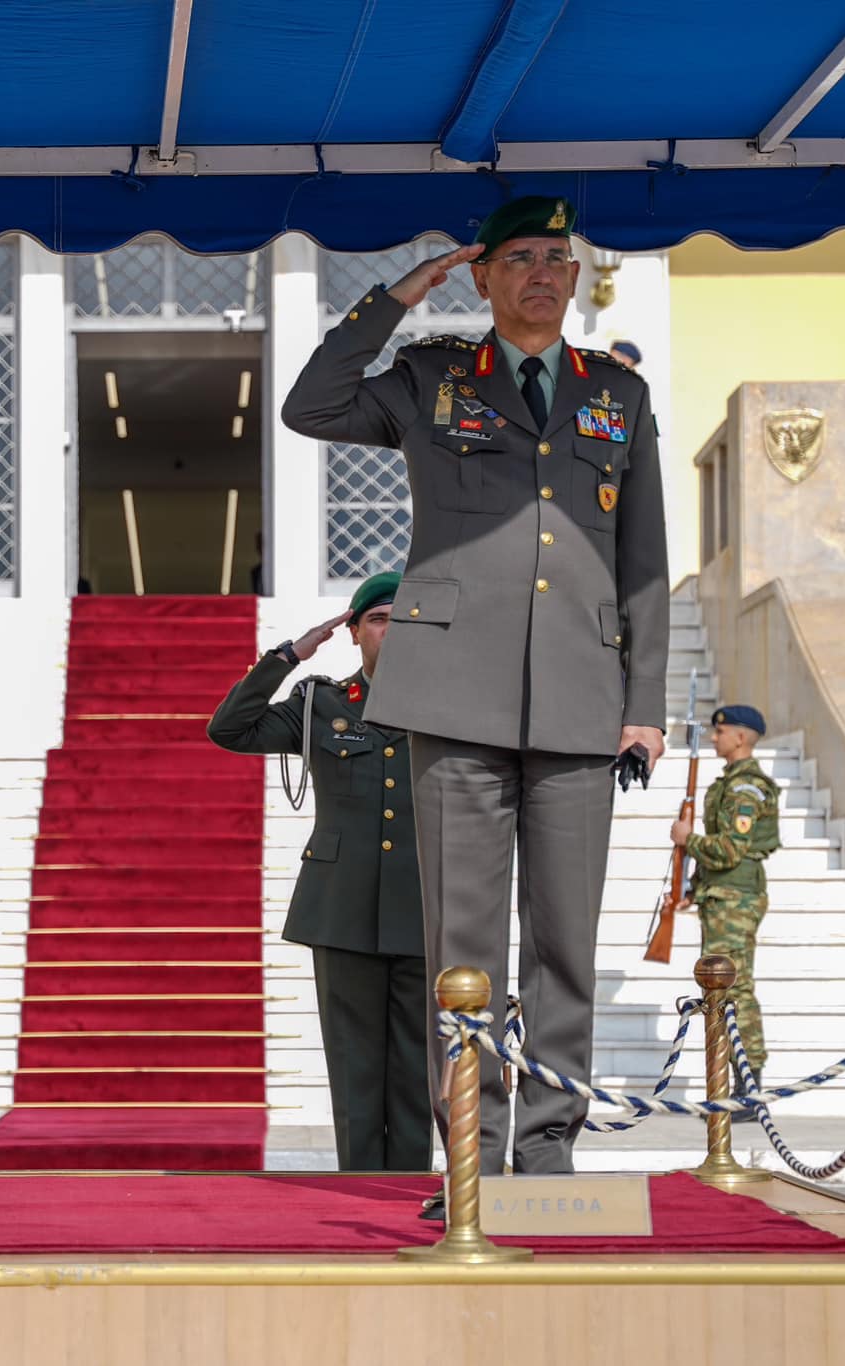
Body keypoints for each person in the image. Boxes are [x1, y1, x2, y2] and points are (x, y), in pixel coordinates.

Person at [282, 195, 670, 1186]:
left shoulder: (615, 394)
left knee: (563, 950)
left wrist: (645, 701)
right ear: (485, 275)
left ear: (574, 278)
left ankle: (540, 1162)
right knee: (462, 953)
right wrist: (401, 294)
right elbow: (311, 405)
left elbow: (643, 561)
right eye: (520, 259)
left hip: (581, 700)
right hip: (451, 697)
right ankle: (466, 1164)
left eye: (558, 258)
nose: (542, 272)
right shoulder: (429, 377)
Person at [206, 571, 428, 1172]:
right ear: (353, 632)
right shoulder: (319, 703)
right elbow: (229, 730)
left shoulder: (451, 707)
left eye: (407, 619)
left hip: (426, 905)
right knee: (354, 1064)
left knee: (418, 1065)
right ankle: (361, 1182)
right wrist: (287, 656)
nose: (394, 631)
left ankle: (409, 1184)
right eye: (380, 620)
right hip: (342, 906)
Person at [671, 704, 780, 1083]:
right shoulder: (730, 782)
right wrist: (695, 887)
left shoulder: (744, 788)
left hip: (735, 897)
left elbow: (732, 849)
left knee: (735, 988)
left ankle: (749, 1079)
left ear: (740, 737)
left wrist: (689, 840)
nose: (714, 738)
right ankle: (733, 1079)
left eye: (721, 732)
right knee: (722, 987)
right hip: (721, 895)